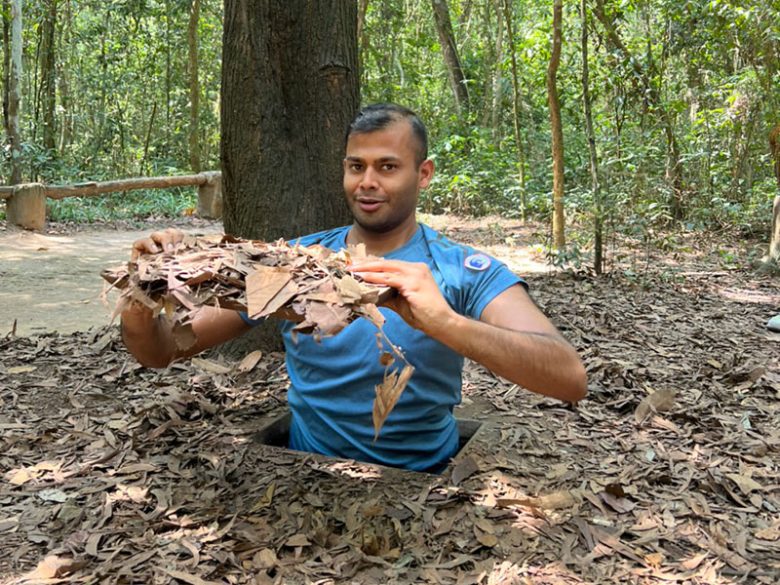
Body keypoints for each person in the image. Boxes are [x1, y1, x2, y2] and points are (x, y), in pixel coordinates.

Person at [122, 103, 587, 473]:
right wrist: (145, 287)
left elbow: (569, 377)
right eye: (355, 166)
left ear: (422, 174)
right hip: (304, 473)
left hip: (427, 478)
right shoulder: (292, 260)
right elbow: (161, 352)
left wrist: (445, 323)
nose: (367, 182)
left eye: (387, 167)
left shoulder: (463, 268)